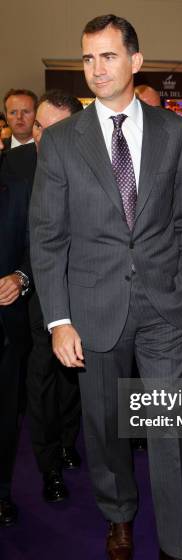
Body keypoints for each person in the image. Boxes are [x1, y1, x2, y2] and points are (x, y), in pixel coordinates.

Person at [30, 14, 182, 560]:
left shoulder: (175, 132)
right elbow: (48, 238)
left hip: (163, 306)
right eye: (88, 58)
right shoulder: (59, 140)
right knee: (104, 427)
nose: (97, 68)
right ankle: (120, 516)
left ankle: (178, 548)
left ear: (135, 60)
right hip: (93, 310)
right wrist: (58, 319)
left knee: (167, 430)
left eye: (108, 56)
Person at [3, 90, 83, 503]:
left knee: (74, 378)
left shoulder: (90, 163)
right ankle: (48, 465)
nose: (40, 136)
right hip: (35, 291)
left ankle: (69, 442)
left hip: (84, 289)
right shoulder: (14, 165)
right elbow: (19, 234)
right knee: (42, 380)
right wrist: (20, 275)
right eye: (38, 126)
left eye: (52, 130)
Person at [0, 138, 32, 526]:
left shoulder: (18, 188)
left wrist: (21, 277)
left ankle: (2, 493)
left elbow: (35, 247)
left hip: (6, 328)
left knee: (5, 418)